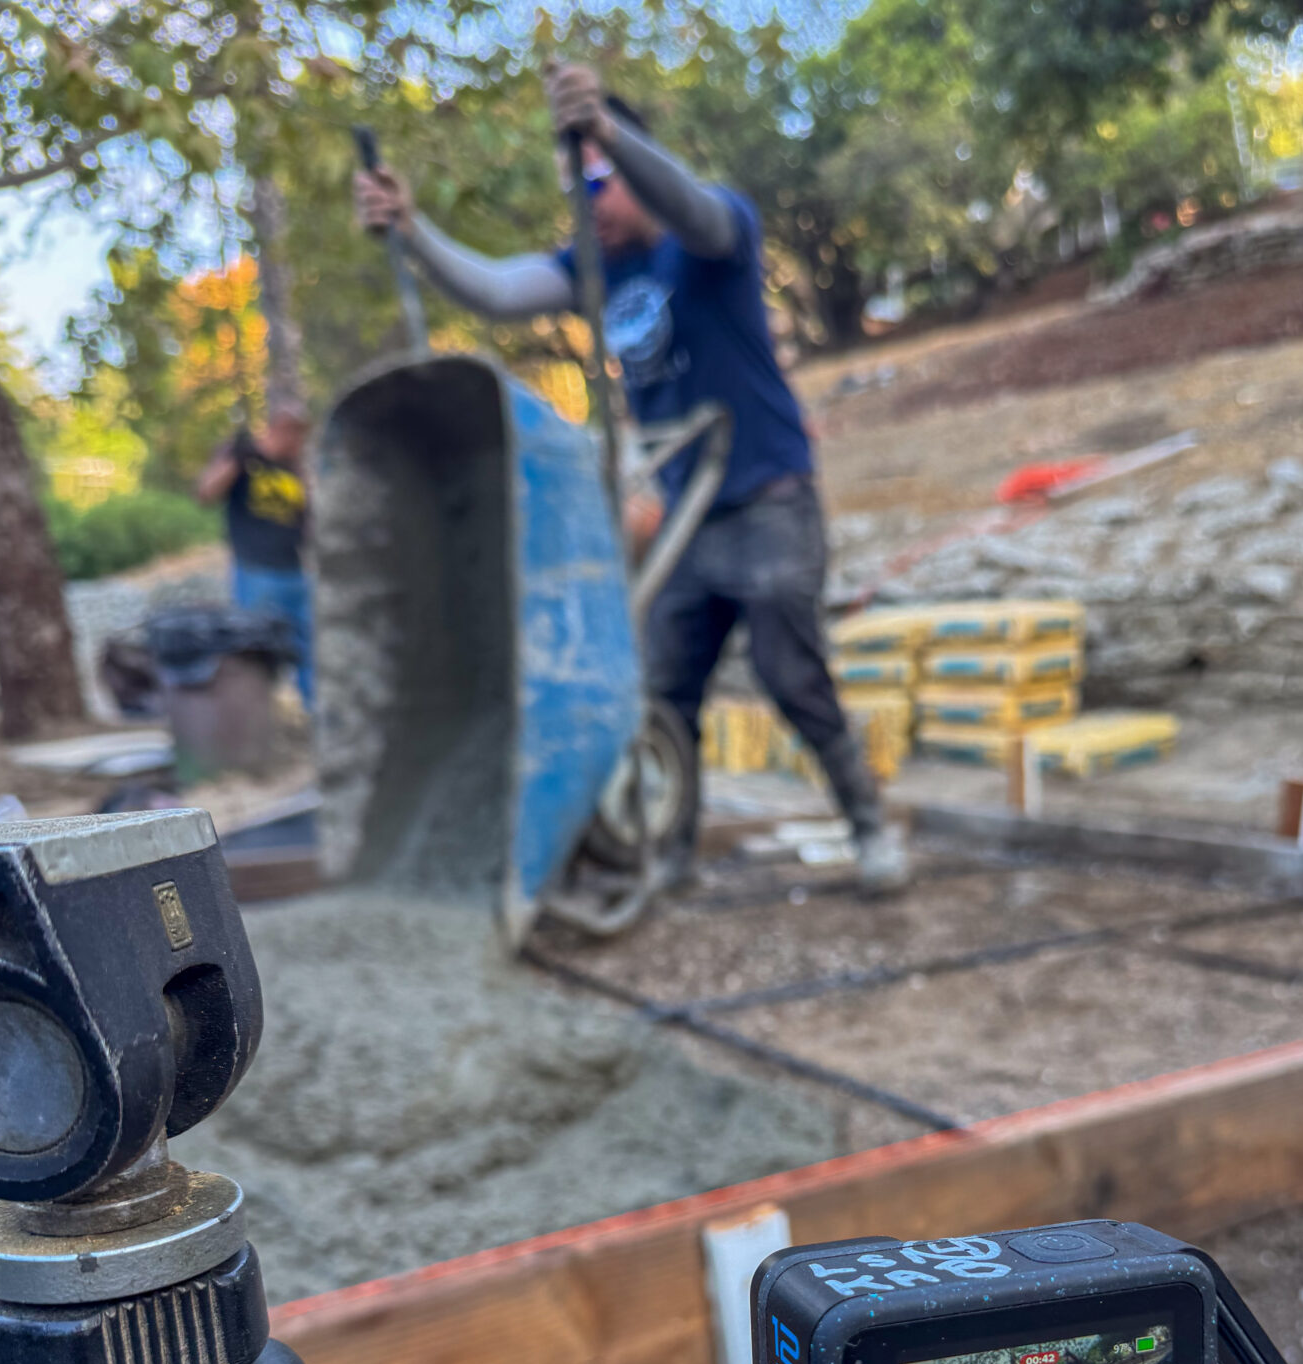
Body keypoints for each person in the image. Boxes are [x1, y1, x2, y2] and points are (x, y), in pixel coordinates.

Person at [354, 65, 909, 894]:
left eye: (599, 185)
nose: (589, 205)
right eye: (573, 190)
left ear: (635, 162)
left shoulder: (714, 238)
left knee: (791, 676)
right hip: (688, 517)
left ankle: (869, 828)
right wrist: (414, 228)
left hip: (767, 498)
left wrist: (609, 138)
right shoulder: (595, 268)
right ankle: (672, 857)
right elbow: (501, 291)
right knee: (663, 696)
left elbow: (693, 207)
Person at [196, 403, 314, 708]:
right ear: (279, 428)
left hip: (295, 571)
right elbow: (206, 494)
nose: (299, 443)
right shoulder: (244, 458)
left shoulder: (293, 468)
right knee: (255, 647)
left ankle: (314, 712)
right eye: (296, 435)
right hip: (255, 570)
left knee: (308, 648)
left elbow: (309, 518)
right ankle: (256, 717)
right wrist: (234, 460)